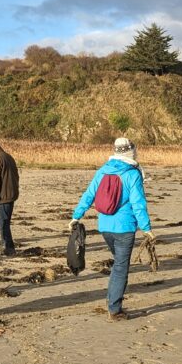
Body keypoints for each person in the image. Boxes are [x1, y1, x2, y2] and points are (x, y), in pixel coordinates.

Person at [69, 137, 154, 321]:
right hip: (124, 228)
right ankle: (114, 309)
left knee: (119, 263)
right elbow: (138, 203)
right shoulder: (132, 174)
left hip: (105, 226)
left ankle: (113, 301)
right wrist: (146, 228)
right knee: (121, 266)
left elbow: (89, 194)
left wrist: (76, 216)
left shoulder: (102, 171)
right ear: (131, 152)